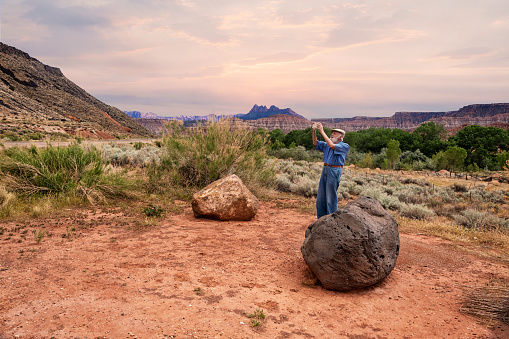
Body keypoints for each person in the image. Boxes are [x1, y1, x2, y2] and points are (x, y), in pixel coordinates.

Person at [312, 122, 350, 219]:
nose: (332, 134)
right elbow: (315, 143)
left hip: (334, 170)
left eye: (334, 133)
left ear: (340, 137)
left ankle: (332, 220)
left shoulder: (344, 146)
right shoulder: (327, 145)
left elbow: (332, 146)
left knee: (330, 196)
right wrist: (314, 131)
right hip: (326, 168)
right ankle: (321, 219)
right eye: (332, 132)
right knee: (321, 197)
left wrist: (322, 131)